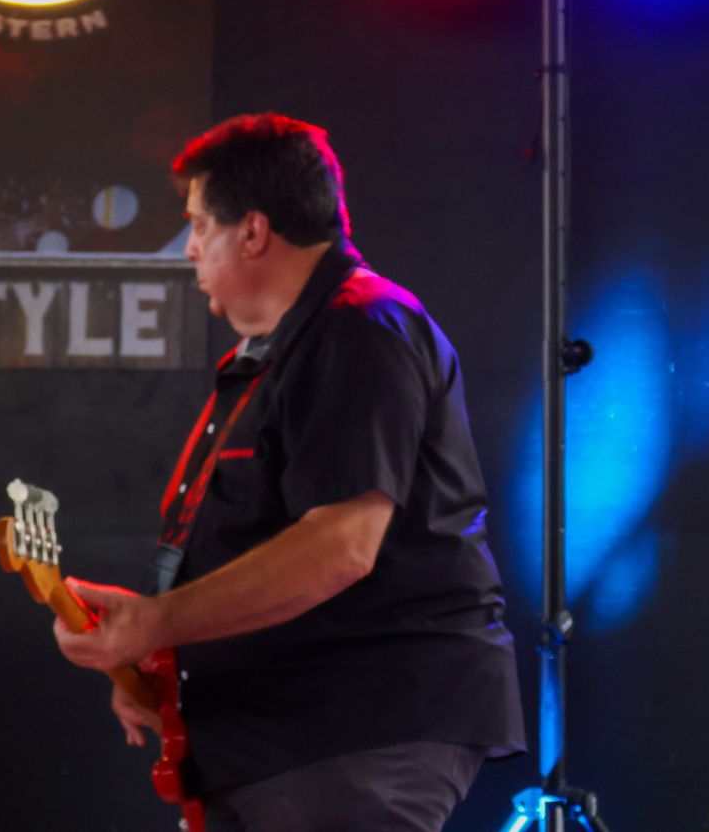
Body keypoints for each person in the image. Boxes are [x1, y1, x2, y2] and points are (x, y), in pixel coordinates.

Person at [54, 113, 524, 831]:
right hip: (279, 739)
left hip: (353, 728)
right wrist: (160, 656)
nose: (189, 249)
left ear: (252, 230)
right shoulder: (281, 351)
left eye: (198, 226)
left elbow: (341, 546)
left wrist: (156, 623)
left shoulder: (360, 326)